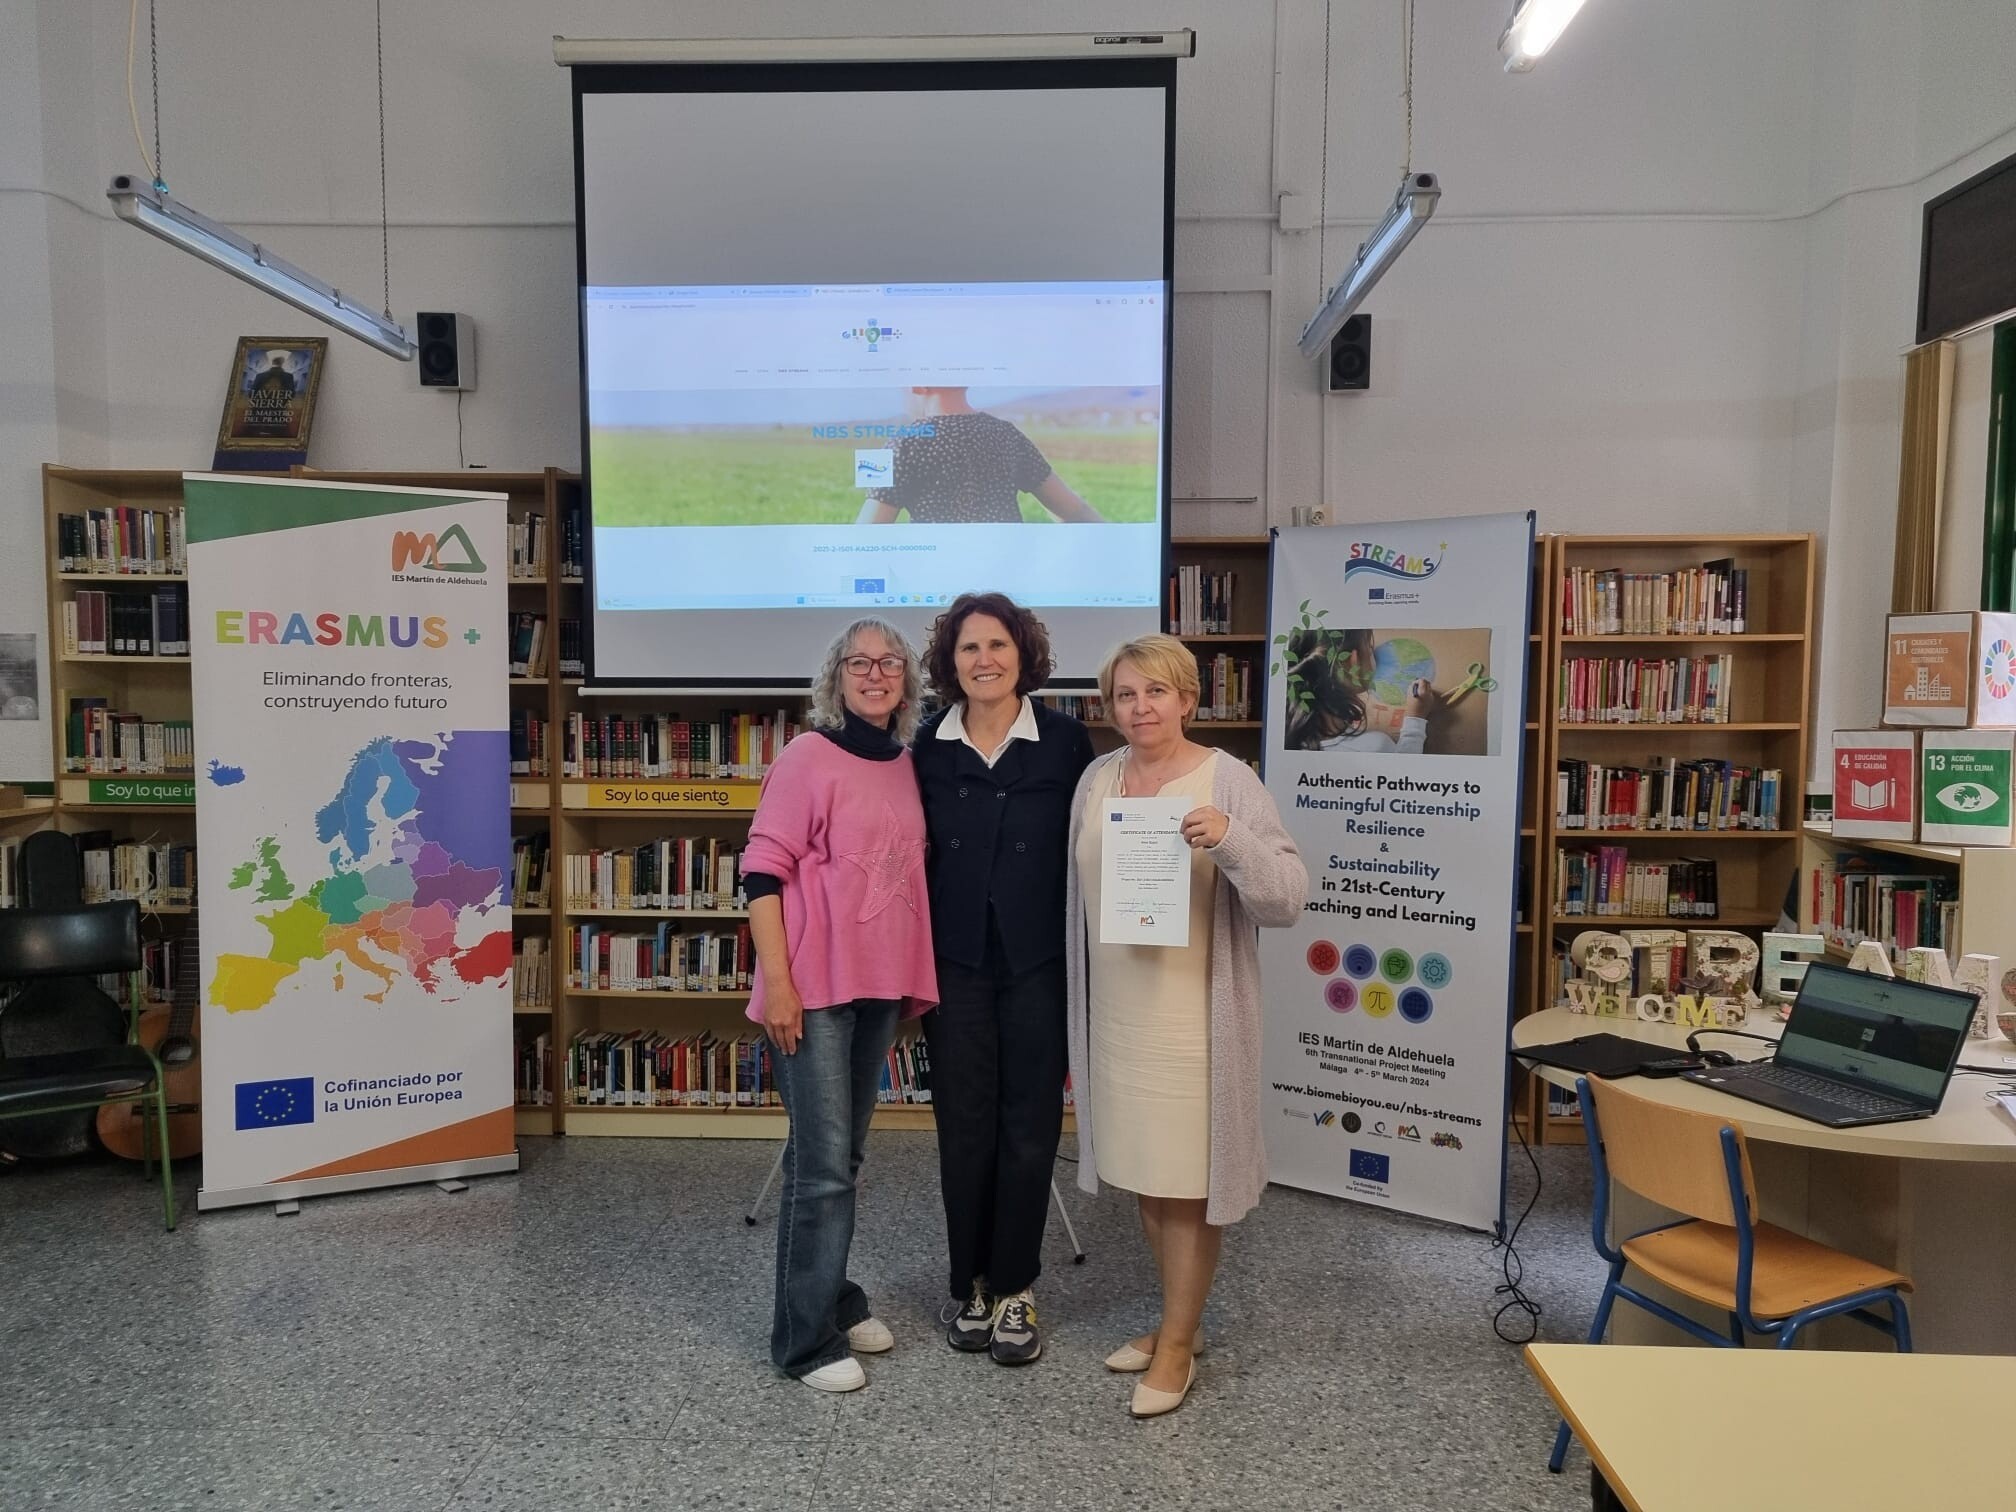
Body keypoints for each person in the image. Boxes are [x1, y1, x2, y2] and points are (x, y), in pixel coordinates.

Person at [1065, 634, 1307, 1418]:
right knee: (1147, 1175)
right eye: (1125, 694)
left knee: (1190, 1187)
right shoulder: (1098, 779)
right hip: (1119, 1018)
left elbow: (1287, 897)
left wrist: (1230, 839)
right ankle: (1181, 1320)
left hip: (1194, 1022)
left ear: (1188, 700)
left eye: (1156, 692)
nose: (1140, 707)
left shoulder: (1226, 779)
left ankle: (1176, 1344)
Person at [740, 619, 938, 1394]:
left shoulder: (908, 764)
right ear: (837, 677)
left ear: (907, 681)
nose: (875, 672)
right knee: (821, 1168)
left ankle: (835, 1297)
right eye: (860, 661)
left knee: (844, 1160)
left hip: (876, 986)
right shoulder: (806, 756)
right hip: (812, 990)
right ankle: (804, 1343)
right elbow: (761, 873)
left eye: (890, 662)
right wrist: (778, 984)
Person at [912, 592, 1095, 1365]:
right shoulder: (926, 744)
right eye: (968, 648)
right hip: (954, 964)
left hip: (1038, 962)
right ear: (949, 663)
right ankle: (973, 1284)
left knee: (1029, 1126)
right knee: (963, 1126)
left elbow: (1094, 848)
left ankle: (1017, 1285)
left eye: (997, 645)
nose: (984, 659)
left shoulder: (1066, 742)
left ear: (1024, 653)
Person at [856, 387, 1106, 524]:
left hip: (936, 582)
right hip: (1005, 588)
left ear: (918, 386)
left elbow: (868, 534)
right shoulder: (1007, 434)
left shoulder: (900, 443)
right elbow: (1075, 512)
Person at [1284, 627, 1440, 753]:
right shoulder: (1375, 747)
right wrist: (1415, 718)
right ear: (1354, 662)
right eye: (1370, 649)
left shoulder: (1285, 736)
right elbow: (1404, 775)